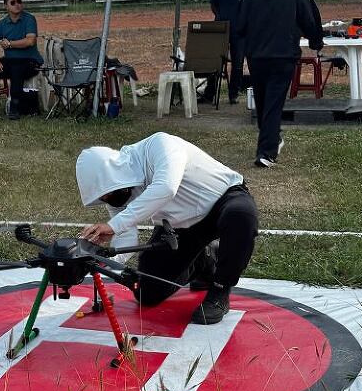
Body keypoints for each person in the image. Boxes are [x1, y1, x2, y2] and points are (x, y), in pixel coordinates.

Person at [76, 132, 258, 325]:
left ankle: (220, 290)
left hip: (223, 199)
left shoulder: (160, 144)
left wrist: (114, 225)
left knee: (241, 216)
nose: (106, 199)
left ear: (114, 173)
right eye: (102, 197)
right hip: (180, 226)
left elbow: (166, 188)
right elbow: (126, 233)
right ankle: (205, 260)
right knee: (147, 293)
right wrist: (106, 262)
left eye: (106, 193)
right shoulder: (117, 194)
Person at [234, 0, 323, 168]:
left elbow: (240, 25)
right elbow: (310, 19)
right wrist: (316, 41)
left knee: (262, 100)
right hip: (284, 55)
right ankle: (267, 151)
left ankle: (270, 142)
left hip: (257, 55)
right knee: (273, 102)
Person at [202, 0, 251, 105]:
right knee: (216, 61)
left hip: (240, 31)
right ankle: (209, 94)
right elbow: (213, 5)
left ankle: (233, 94)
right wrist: (220, 17)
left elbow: (251, 6)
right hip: (221, 29)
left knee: (238, 63)